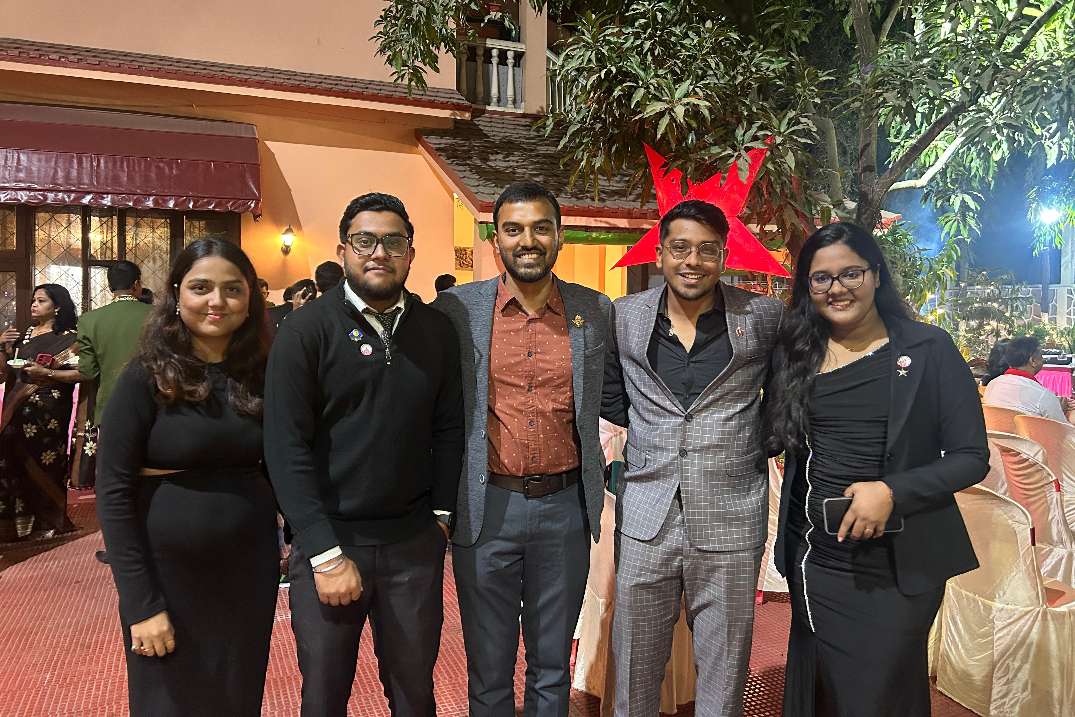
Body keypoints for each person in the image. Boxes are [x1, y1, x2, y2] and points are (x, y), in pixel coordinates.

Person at [767, 222, 988, 716]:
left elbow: (971, 456)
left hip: (898, 562)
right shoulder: (797, 351)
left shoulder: (927, 349)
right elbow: (774, 437)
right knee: (824, 692)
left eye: (851, 273)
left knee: (880, 693)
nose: (837, 288)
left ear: (877, 274)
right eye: (821, 278)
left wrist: (892, 491)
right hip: (817, 557)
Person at [265, 193, 463, 716]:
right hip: (331, 542)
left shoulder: (435, 330)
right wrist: (324, 553)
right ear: (343, 250)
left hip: (412, 544)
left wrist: (441, 518)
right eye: (365, 241)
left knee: (415, 693)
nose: (379, 252)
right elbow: (285, 446)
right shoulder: (305, 331)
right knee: (324, 695)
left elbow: (448, 429)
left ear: (410, 253)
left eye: (393, 241)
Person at [433, 181, 612, 716]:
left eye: (540, 228)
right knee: (488, 668)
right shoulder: (457, 310)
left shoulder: (594, 310)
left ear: (560, 237)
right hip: (486, 507)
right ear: (496, 240)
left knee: (552, 667)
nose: (527, 240)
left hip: (566, 509)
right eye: (513, 229)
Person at [600, 199, 781, 716]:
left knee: (724, 673)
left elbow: (783, 398)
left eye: (707, 250)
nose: (692, 261)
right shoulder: (625, 316)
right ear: (660, 254)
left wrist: (745, 445)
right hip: (645, 517)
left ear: (724, 256)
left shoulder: (763, 316)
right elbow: (613, 397)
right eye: (679, 248)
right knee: (634, 668)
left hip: (731, 516)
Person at [96, 239, 278, 716]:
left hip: (248, 574)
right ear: (176, 294)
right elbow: (112, 492)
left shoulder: (264, 373)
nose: (217, 301)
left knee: (237, 700)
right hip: (167, 578)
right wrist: (140, 604)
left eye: (232, 289)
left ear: (250, 300)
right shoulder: (146, 375)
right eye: (201, 287)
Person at [0, 284, 80, 541]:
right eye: (34, 300)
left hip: (49, 412)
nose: (34, 304)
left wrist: (47, 373)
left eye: (41, 300)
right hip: (17, 408)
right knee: (13, 461)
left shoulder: (71, 339)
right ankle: (18, 526)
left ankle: (48, 522)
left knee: (45, 462)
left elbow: (81, 374)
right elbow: (4, 374)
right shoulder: (24, 335)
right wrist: (2, 346)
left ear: (57, 307)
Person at [74, 260, 153, 489]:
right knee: (152, 469)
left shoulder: (89, 320)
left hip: (110, 406)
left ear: (110, 287)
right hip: (155, 403)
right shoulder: (157, 315)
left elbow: (87, 371)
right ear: (137, 284)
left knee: (117, 473)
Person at [982, 336, 1071, 420]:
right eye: (1041, 356)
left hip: (994, 431)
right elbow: (1062, 429)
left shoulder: (992, 385)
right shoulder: (1043, 395)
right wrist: (1060, 409)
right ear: (1033, 361)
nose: (1043, 360)